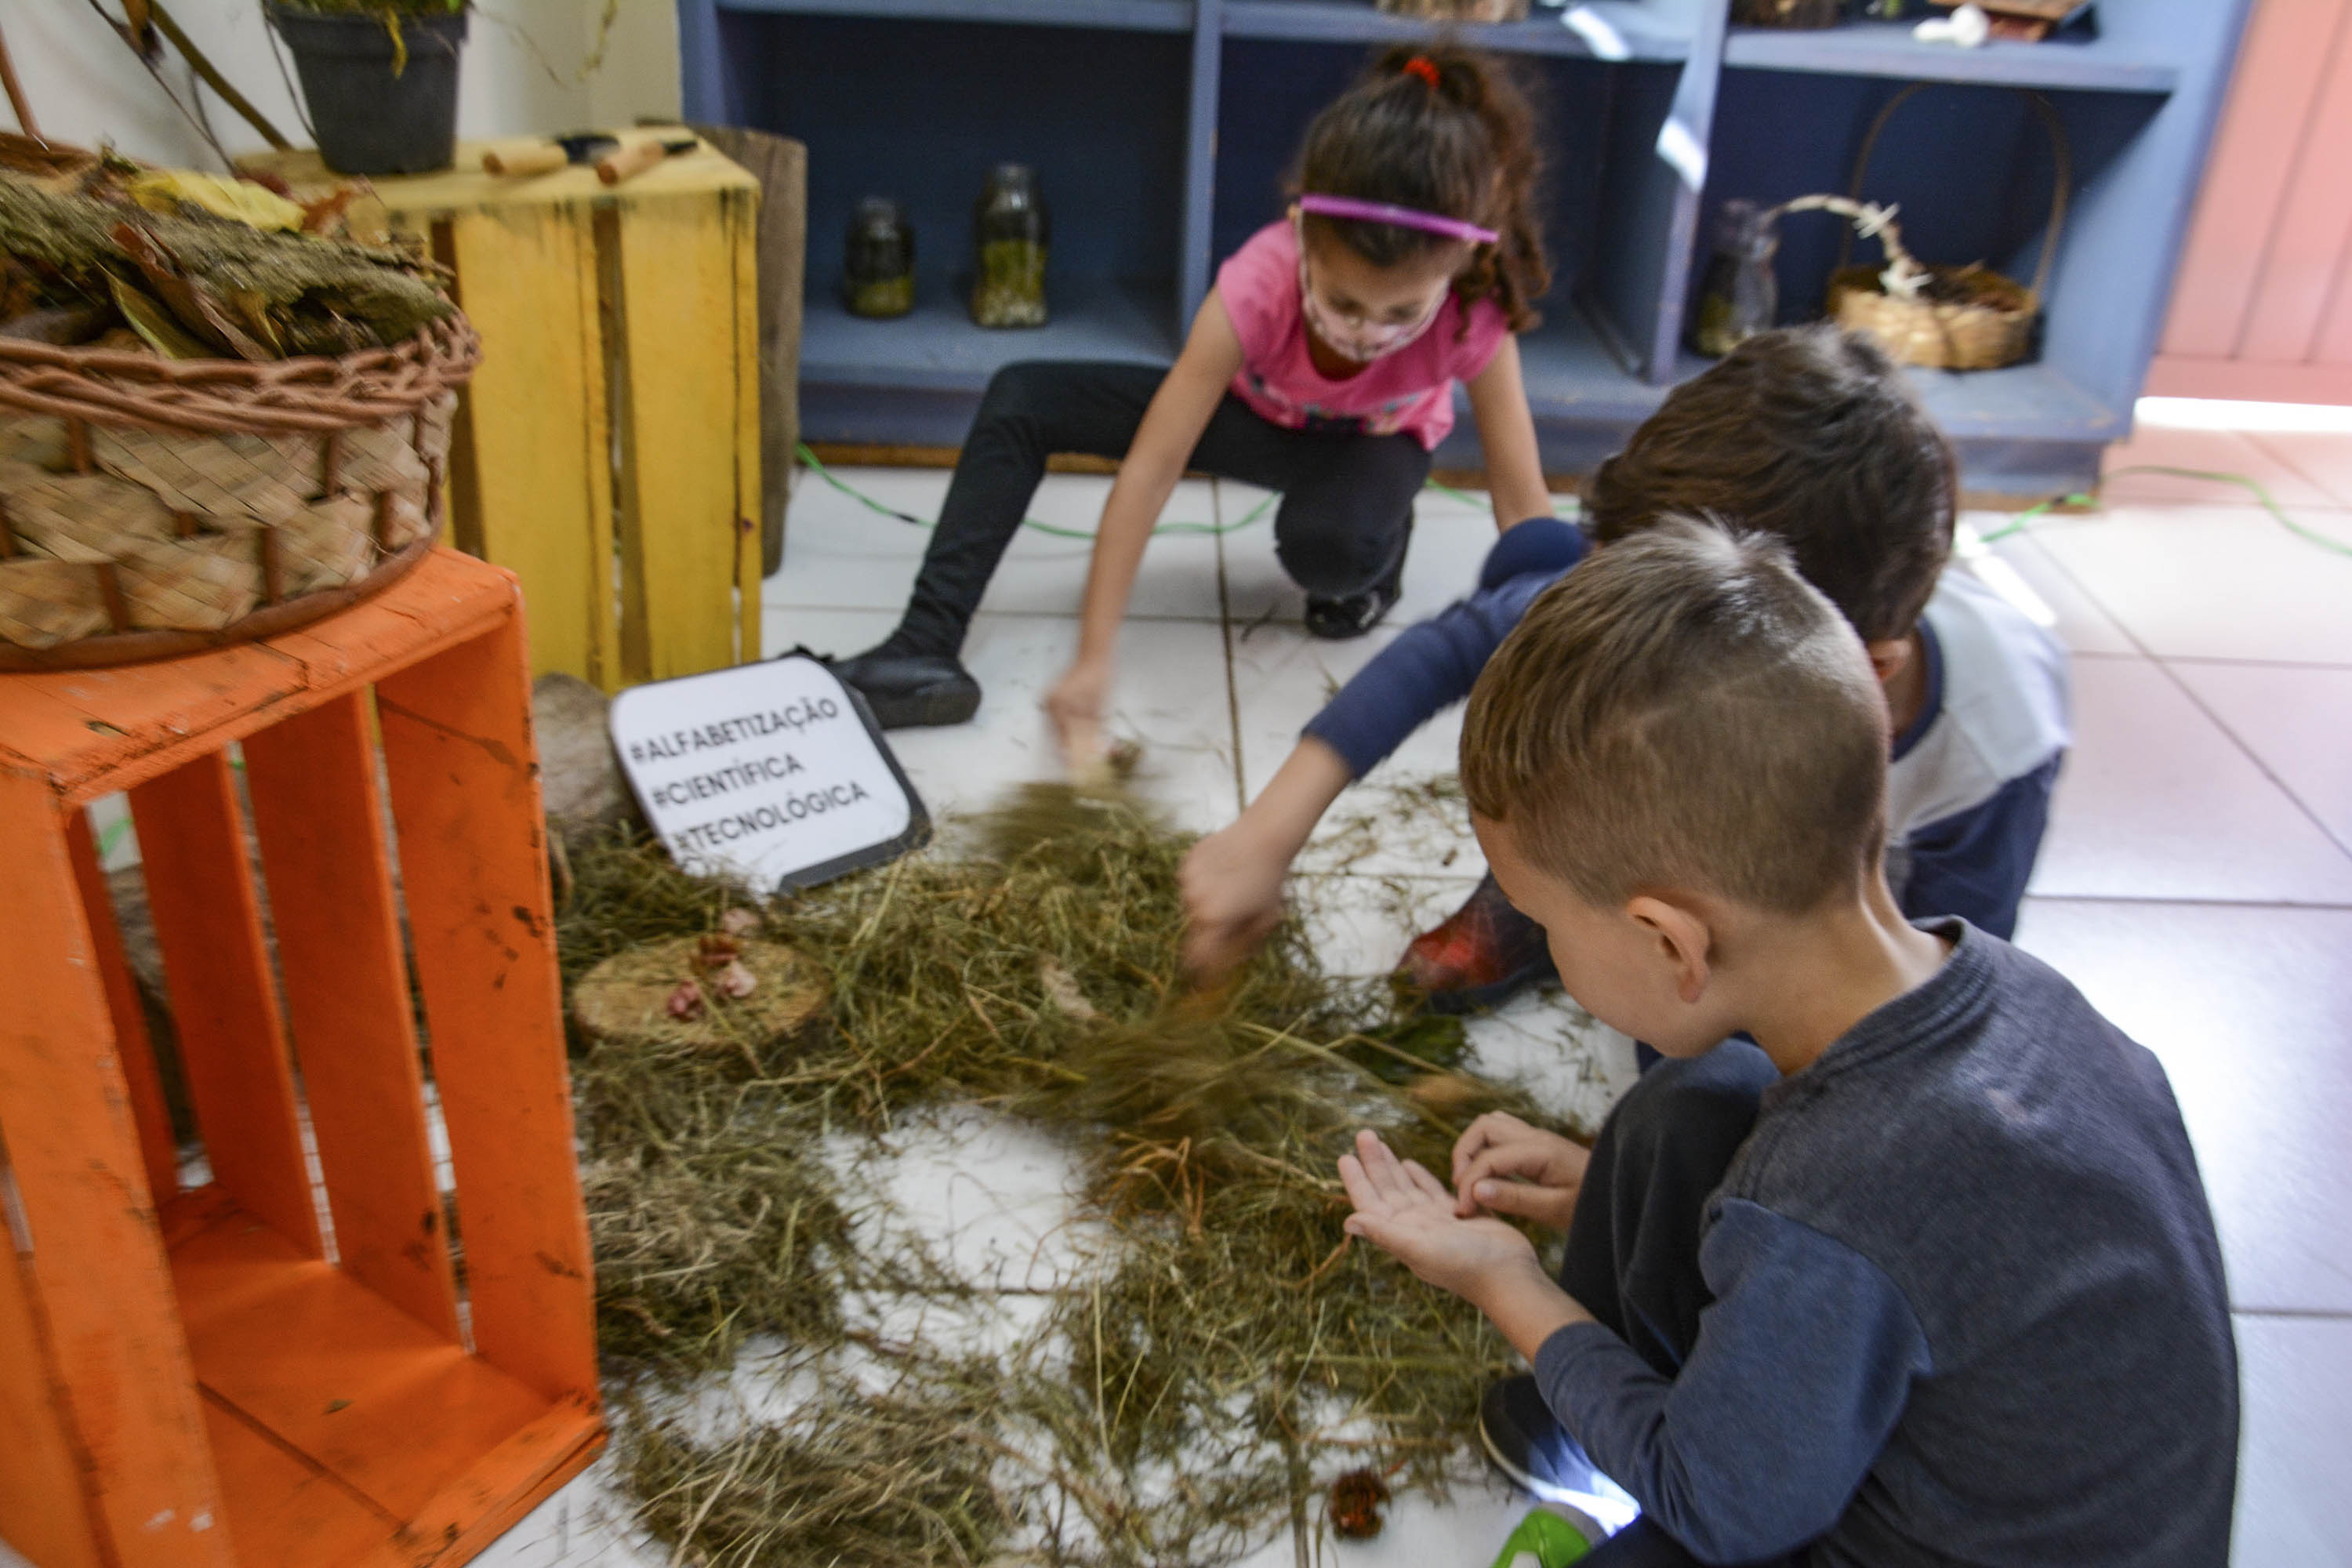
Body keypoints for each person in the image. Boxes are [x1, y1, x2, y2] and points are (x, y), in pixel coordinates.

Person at [1338, 519, 2238, 1566]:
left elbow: (1724, 1508)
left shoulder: (1834, 1202)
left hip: (1909, 1537)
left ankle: (1617, 1432)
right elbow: (1933, 1260)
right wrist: (1605, 1192)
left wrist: (1507, 1281)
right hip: (2041, 1479)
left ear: (1669, 941)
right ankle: (1610, 1414)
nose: (1538, 944)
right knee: (1694, 1101)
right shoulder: (2015, 996)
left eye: (1544, 921)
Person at [1179, 326, 2069, 1002]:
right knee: (1550, 645)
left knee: (1703, 1061)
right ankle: (1529, 912)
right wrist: (1267, 835)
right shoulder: (1671, 599)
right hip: (1691, 803)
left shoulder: (1990, 751)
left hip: (1804, 903)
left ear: (1862, 676)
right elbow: (1441, 650)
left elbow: (1938, 1000)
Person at [832, 45, 1555, 753]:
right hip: (1257, 418)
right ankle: (923, 644)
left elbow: (1523, 508)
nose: (1368, 334)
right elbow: (1151, 470)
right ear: (1303, 231)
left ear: (1461, 260)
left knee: (1331, 553)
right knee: (1022, 395)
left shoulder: (1475, 311)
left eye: (1399, 314)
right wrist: (1093, 659)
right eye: (1343, 302)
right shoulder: (1260, 280)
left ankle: (1377, 553)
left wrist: (1560, 668)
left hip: (1374, 445)